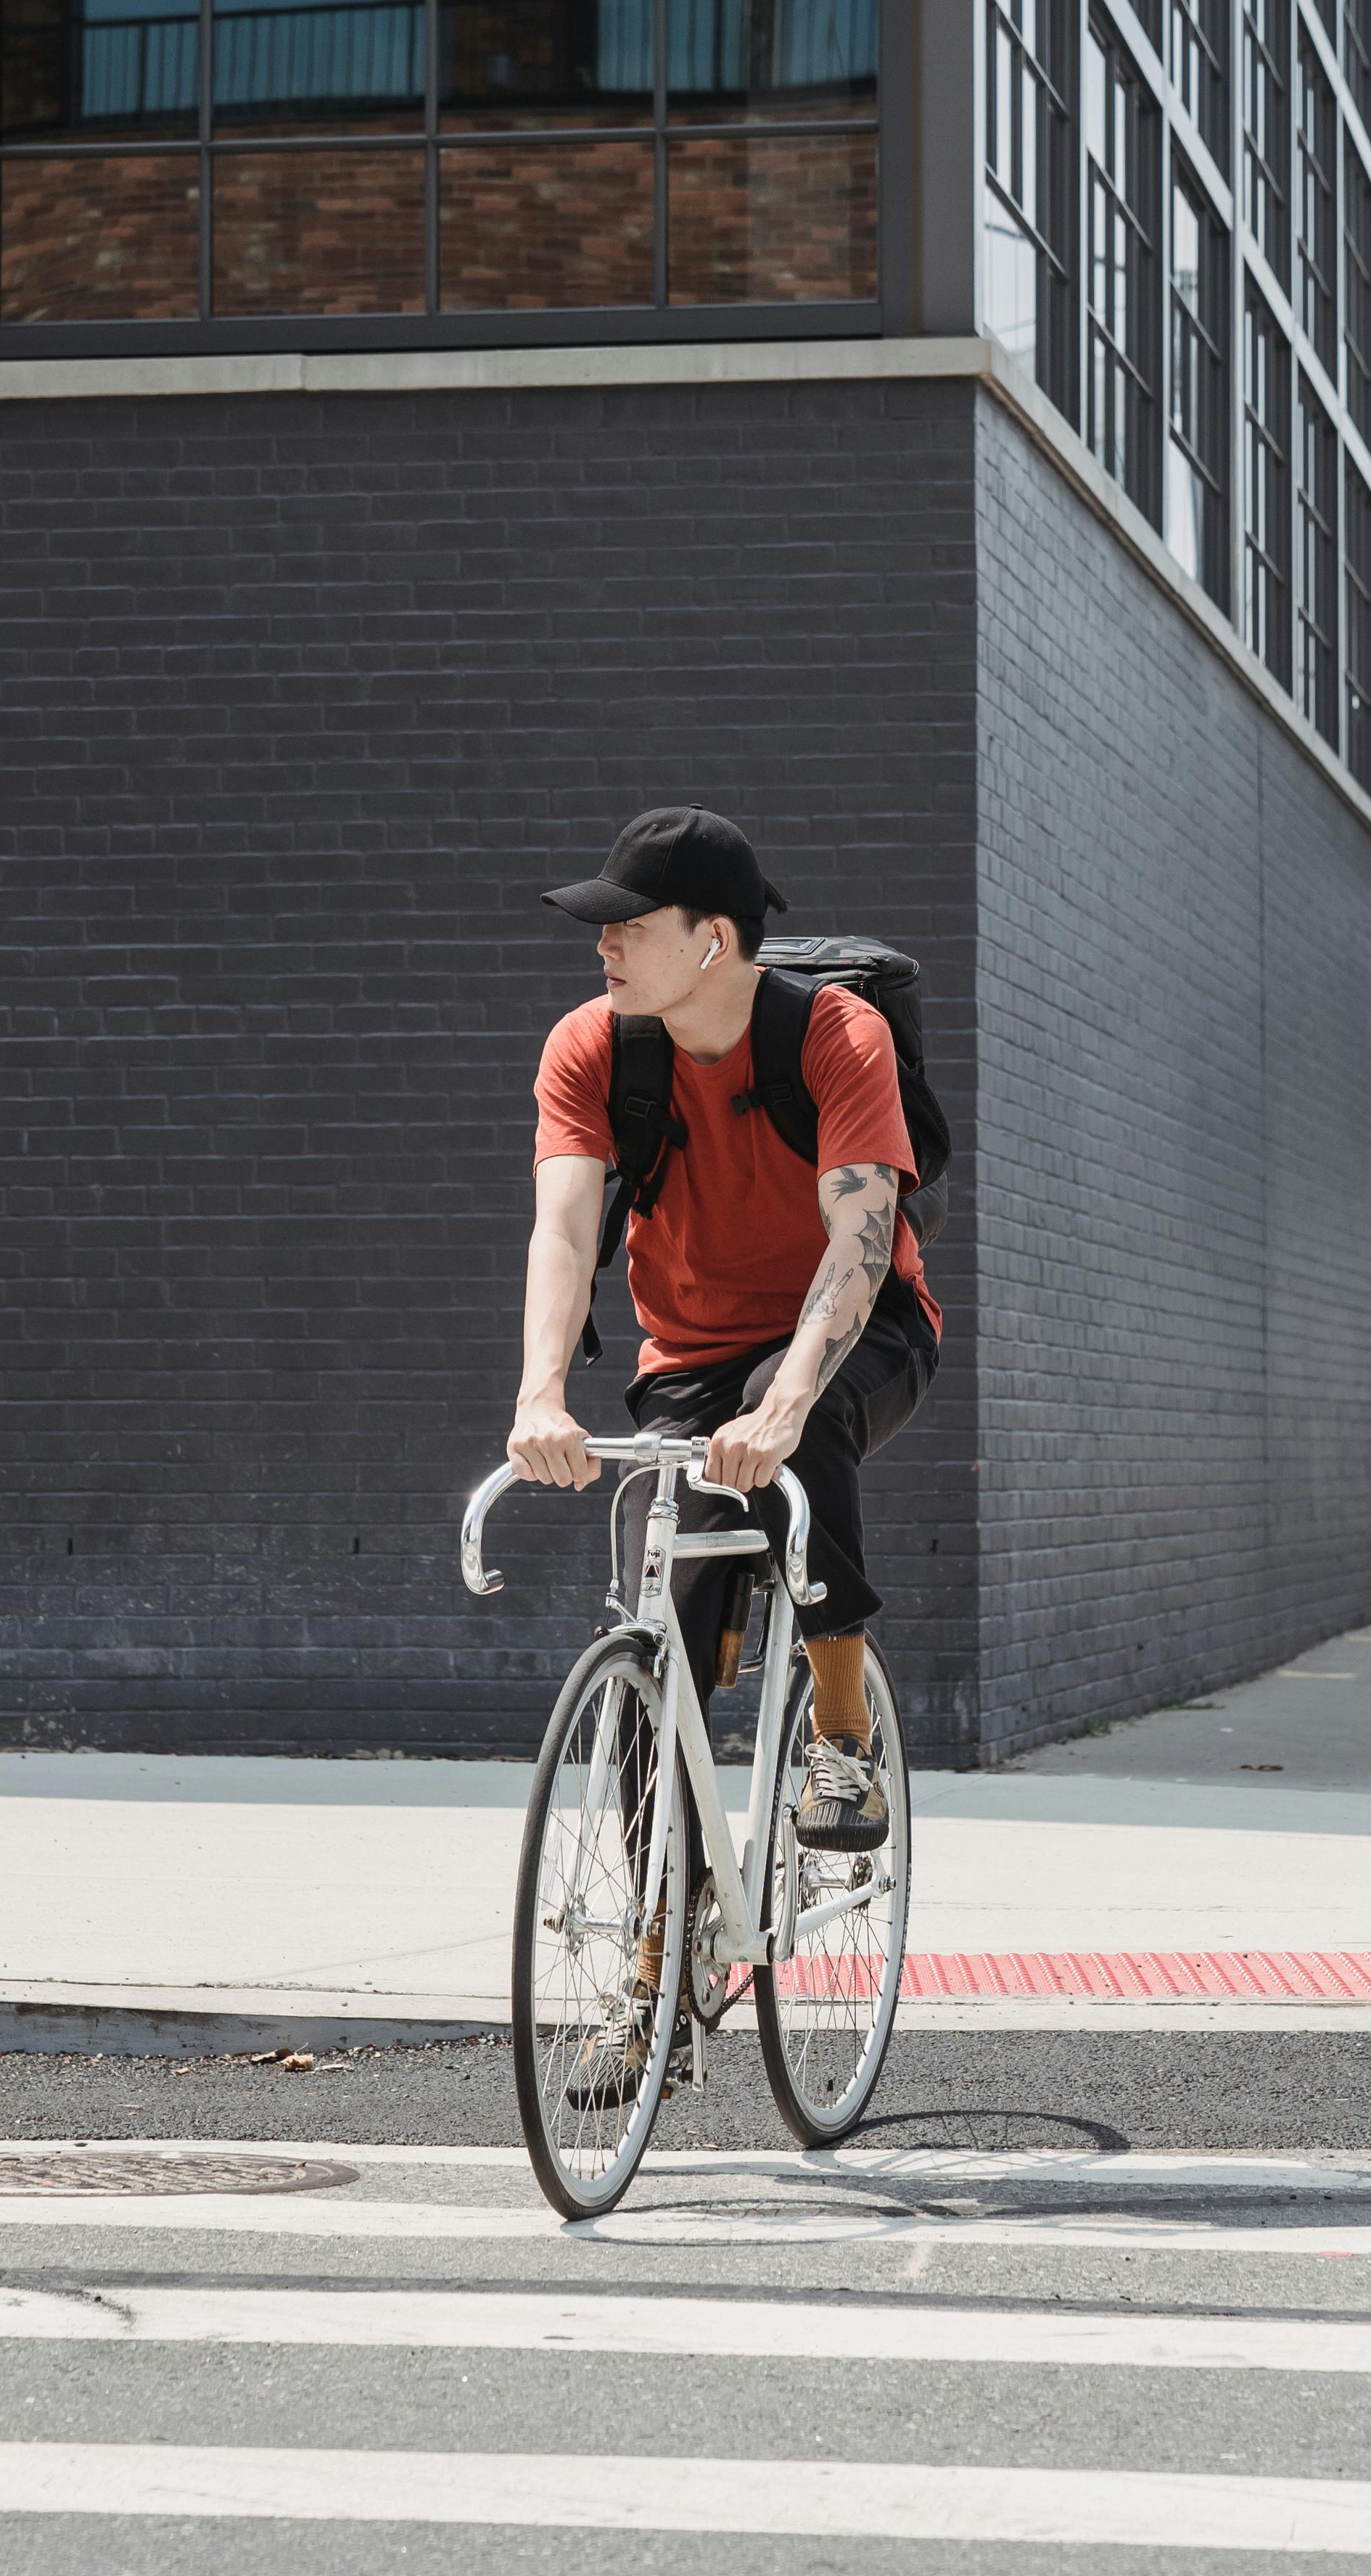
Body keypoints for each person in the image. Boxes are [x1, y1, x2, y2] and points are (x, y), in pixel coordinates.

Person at [506, 806, 940, 2102]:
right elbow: (564, 1230)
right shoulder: (593, 1047)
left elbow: (863, 1239)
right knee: (668, 1646)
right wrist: (539, 1393)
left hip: (858, 1328)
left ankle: (841, 1735)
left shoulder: (831, 1035)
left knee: (794, 1451)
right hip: (686, 1357)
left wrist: (793, 1396)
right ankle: (654, 1978)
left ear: (713, 941)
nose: (604, 948)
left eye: (628, 927)